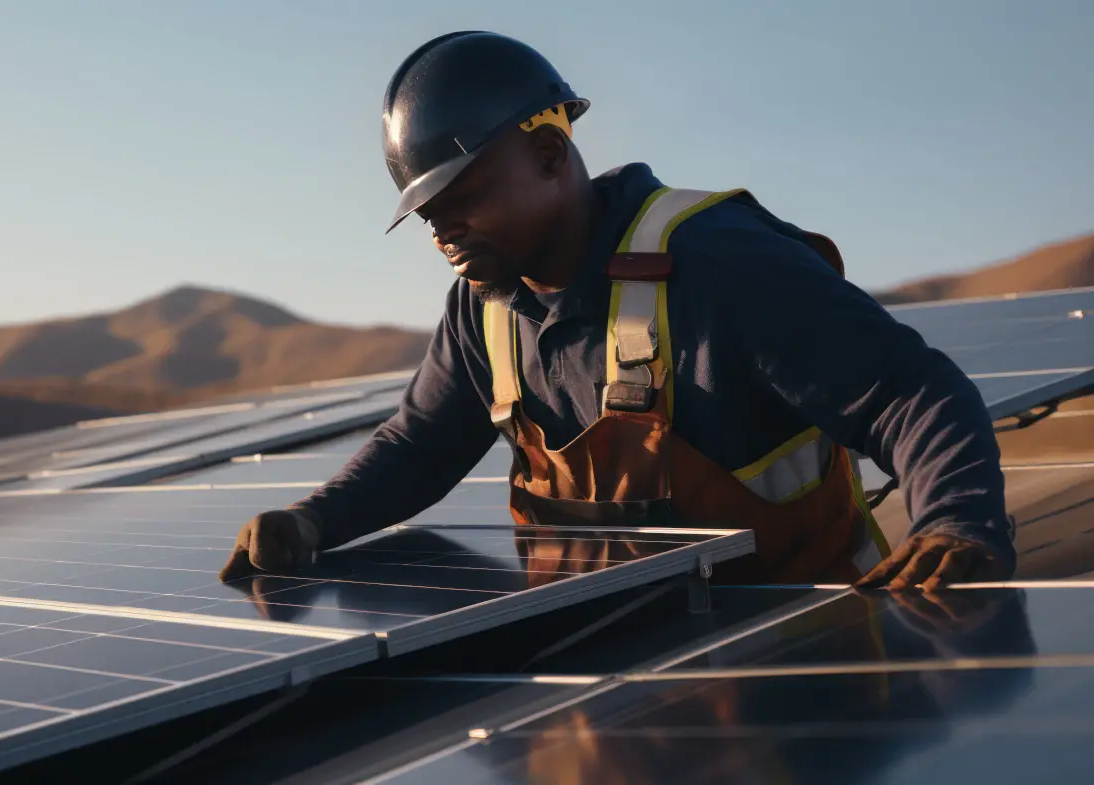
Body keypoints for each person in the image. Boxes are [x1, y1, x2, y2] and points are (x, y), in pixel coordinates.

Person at [218, 30, 1016, 591]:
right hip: (615, 697)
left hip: (807, 669)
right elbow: (420, 448)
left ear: (548, 154)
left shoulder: (717, 263)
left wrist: (956, 520)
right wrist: (313, 520)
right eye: (426, 214)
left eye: (461, 196)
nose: (441, 228)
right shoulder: (482, 312)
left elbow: (910, 393)